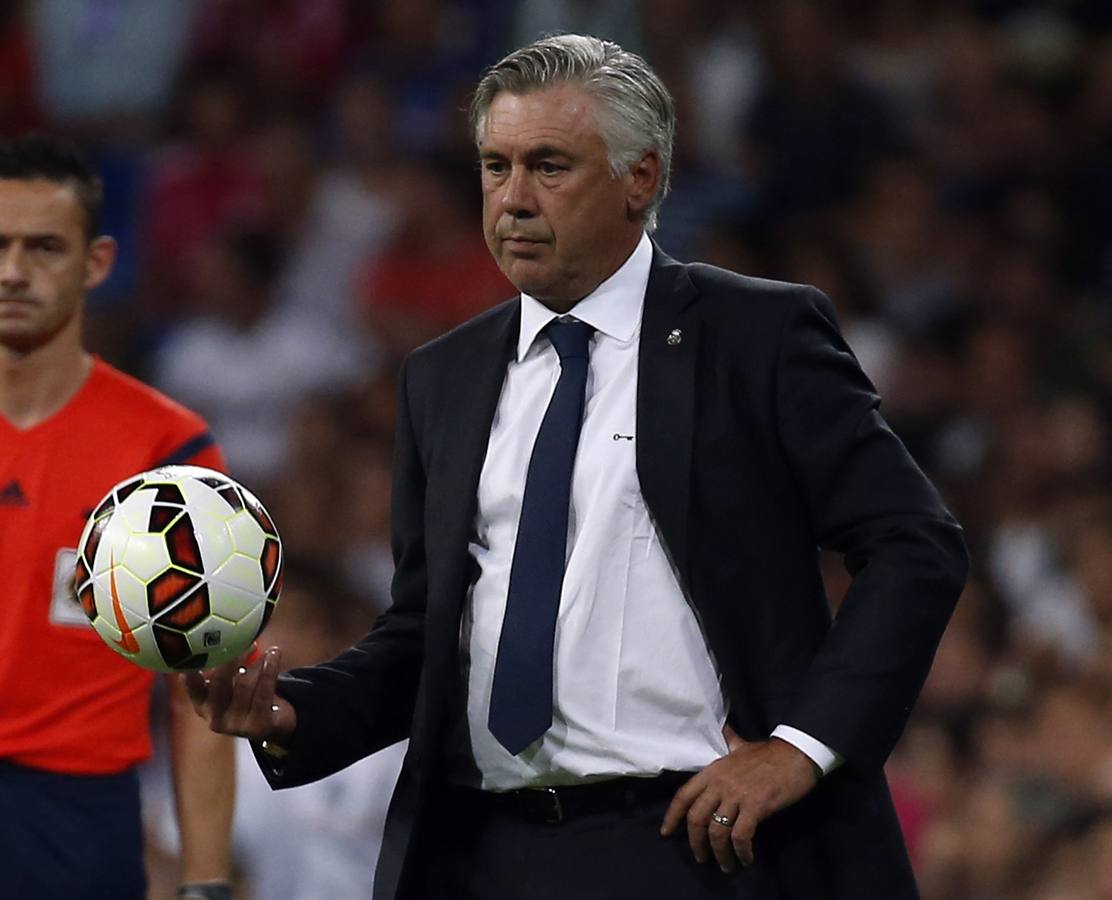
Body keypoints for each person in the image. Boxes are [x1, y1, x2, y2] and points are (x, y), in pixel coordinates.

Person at [186, 34, 968, 899]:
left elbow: (914, 544)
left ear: (641, 177)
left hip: (697, 843)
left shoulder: (755, 337)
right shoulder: (441, 379)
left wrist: (803, 747)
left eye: (548, 166)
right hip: (484, 855)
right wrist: (295, 711)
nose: (513, 199)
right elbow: (425, 633)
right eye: (494, 166)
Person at [0, 134, 236, 900]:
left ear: (96, 262)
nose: (12, 271)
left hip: (73, 818)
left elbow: (200, 691)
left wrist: (204, 884)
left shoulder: (169, 451)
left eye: (43, 248)